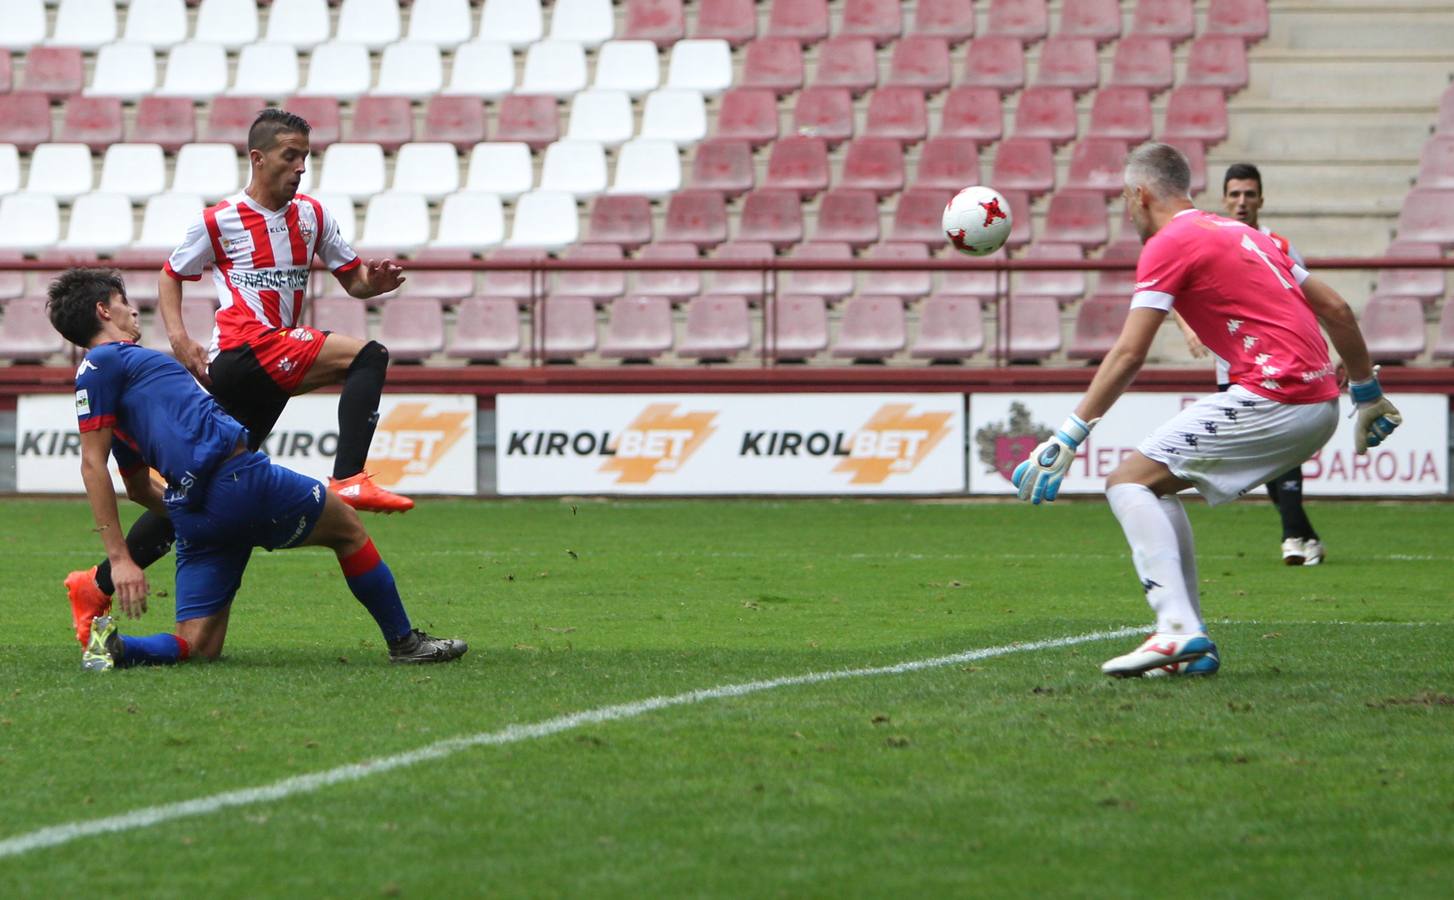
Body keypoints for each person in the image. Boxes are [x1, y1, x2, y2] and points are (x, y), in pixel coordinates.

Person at [1012, 143, 1401, 678]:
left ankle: (1176, 629)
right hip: (1318, 403)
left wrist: (1068, 436)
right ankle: (1191, 643)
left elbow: (1129, 353)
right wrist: (1365, 391)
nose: (1128, 212)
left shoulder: (1169, 243)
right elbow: (1337, 308)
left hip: (1274, 395)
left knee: (1126, 482)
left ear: (1140, 195)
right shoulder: (1251, 235)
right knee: (1155, 482)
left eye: (1127, 201)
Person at [64, 108, 411, 648]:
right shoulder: (220, 219)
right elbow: (172, 273)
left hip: (274, 364)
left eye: (306, 157)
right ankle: (348, 477)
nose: (300, 167)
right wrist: (179, 337)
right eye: (290, 155)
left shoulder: (313, 216)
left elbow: (355, 282)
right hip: (245, 350)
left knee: (196, 492)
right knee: (367, 356)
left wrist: (378, 281)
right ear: (258, 157)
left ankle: (96, 584)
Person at [48, 268, 466, 669]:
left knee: (198, 645)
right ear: (104, 311)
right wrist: (119, 558)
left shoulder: (116, 394)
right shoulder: (108, 363)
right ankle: (405, 643)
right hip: (238, 479)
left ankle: (119, 648)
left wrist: (189, 513)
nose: (134, 310)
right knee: (348, 529)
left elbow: (138, 489)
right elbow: (92, 465)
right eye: (123, 302)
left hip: (196, 510)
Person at [1174, 163, 1325, 566]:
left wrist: (1326, 352)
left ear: (1261, 199)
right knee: (1268, 456)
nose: (1242, 202)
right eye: (1235, 194)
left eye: (1250, 195)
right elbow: (1175, 289)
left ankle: (1293, 535)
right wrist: (1190, 327)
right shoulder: (1209, 241)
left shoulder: (1280, 245)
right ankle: (1304, 534)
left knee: (1279, 451)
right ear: (1224, 199)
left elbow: (1307, 304)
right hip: (1231, 368)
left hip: (1278, 367)